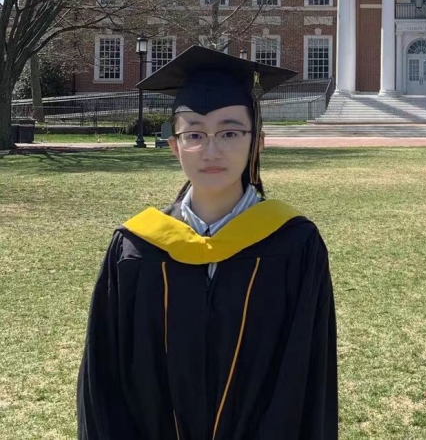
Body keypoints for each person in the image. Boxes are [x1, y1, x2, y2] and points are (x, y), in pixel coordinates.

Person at [76, 46, 338, 439]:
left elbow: (308, 380)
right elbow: (104, 383)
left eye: (230, 132)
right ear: (174, 146)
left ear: (258, 142)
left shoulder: (295, 244)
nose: (211, 150)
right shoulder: (135, 248)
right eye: (195, 133)